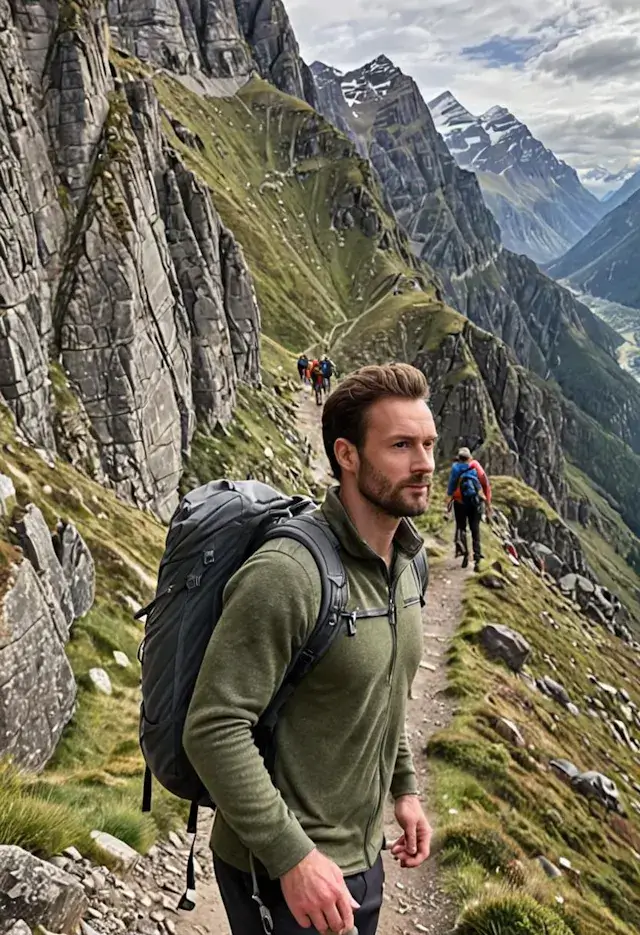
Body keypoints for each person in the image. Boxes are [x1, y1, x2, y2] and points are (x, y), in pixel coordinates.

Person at [184, 363, 436, 935]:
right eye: (400, 445)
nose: (424, 464)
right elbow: (213, 725)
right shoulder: (288, 574)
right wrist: (291, 857)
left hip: (361, 855)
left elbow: (384, 688)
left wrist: (403, 789)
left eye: (427, 444)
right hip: (284, 871)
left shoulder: (407, 563)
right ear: (347, 456)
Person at [446, 447, 491, 572]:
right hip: (475, 503)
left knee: (461, 528)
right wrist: (488, 503)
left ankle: (465, 553)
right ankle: (477, 558)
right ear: (469, 457)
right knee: (475, 530)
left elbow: (451, 487)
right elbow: (485, 484)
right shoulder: (475, 466)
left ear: (459, 458)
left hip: (460, 503)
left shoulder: (456, 468)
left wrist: (448, 503)